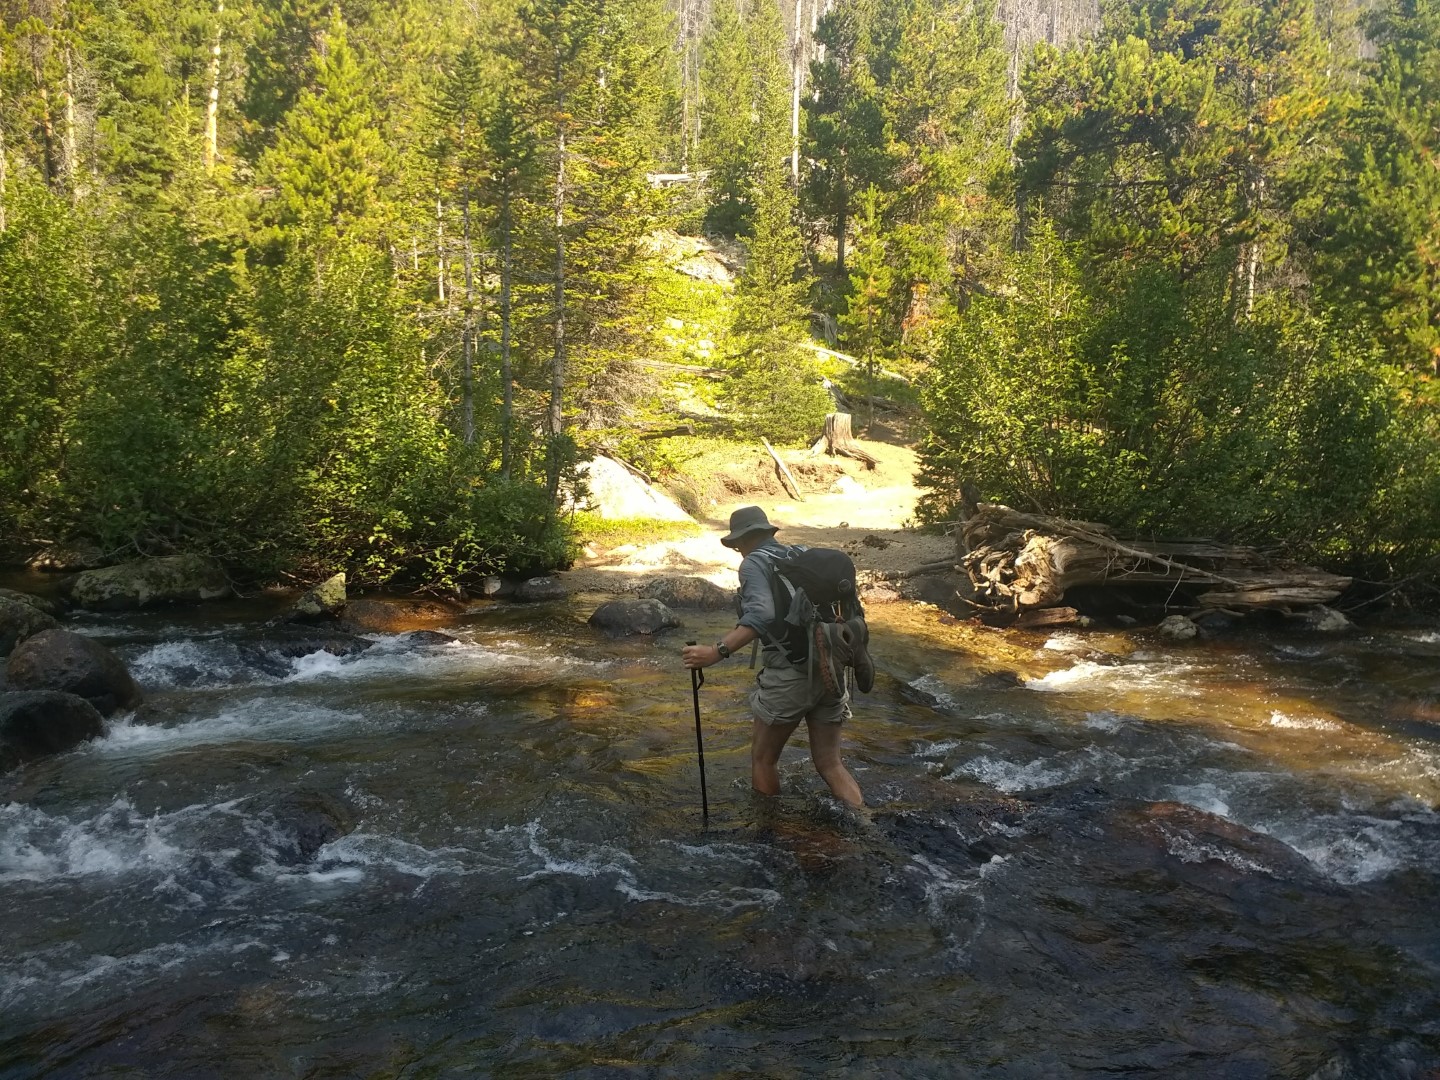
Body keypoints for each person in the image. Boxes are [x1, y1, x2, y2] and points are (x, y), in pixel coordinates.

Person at [681, 506, 864, 808]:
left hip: (790, 672)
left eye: (737, 544)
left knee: (764, 760)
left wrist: (715, 652)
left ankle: (770, 839)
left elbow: (762, 614)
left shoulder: (753, 564)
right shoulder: (799, 554)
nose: (738, 550)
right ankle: (864, 825)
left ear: (741, 540)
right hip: (830, 666)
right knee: (831, 764)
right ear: (768, 533)